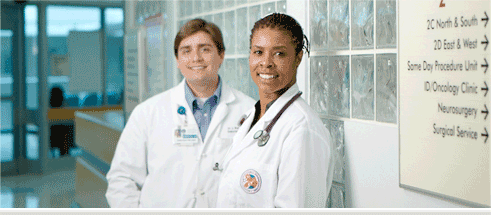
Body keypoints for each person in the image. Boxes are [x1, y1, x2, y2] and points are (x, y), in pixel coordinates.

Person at [106, 19, 255, 208]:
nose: (196, 58)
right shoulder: (147, 112)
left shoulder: (250, 112)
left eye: (205, 49)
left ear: (221, 55)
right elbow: (121, 179)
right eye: (186, 51)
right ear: (177, 60)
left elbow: (257, 179)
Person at [215, 13, 334, 208]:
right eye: (258, 52)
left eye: (279, 53)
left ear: (298, 58)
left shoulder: (302, 129)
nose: (266, 63)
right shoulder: (254, 116)